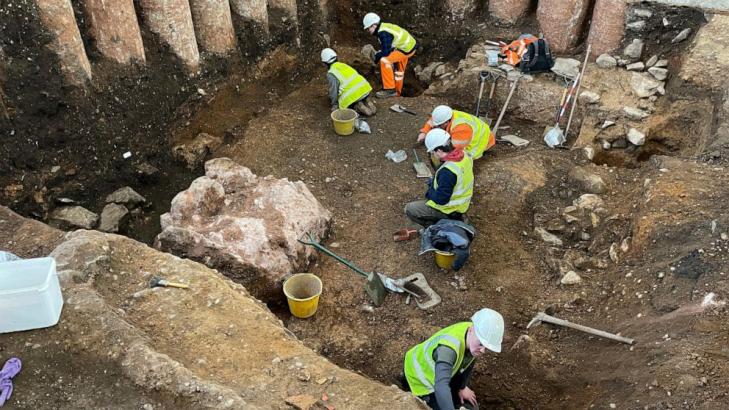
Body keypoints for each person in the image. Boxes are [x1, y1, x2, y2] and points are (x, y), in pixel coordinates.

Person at [402, 308, 505, 410]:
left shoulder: (472, 336)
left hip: (443, 374)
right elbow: (441, 387)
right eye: (481, 344)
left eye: (487, 347)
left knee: (472, 407)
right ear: (471, 330)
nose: (483, 350)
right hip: (419, 379)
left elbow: (468, 361)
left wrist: (462, 387)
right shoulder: (448, 350)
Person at [405, 129, 474, 228]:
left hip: (450, 210)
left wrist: (430, 192)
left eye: (433, 152)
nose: (433, 154)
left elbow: (441, 200)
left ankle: (438, 226)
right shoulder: (464, 154)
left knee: (410, 209)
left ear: (440, 151)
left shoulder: (447, 172)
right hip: (462, 204)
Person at [362, 12, 417, 99]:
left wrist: (376, 57)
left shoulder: (383, 33)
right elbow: (388, 45)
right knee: (399, 72)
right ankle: (397, 94)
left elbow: (386, 53)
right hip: (409, 46)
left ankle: (390, 90)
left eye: (369, 28)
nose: (368, 31)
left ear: (374, 25)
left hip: (404, 50)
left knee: (385, 61)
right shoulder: (384, 26)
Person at [417, 105, 495, 160]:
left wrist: (440, 154)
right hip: (477, 130)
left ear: (446, 122)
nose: (436, 127)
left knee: (462, 157)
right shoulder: (447, 114)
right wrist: (424, 132)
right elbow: (433, 120)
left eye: (439, 125)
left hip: (483, 140)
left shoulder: (460, 130)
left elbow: (455, 149)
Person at [321, 48, 376, 116]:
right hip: (364, 89)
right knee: (360, 96)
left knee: (346, 102)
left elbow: (334, 91)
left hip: (353, 96)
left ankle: (358, 106)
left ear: (325, 63)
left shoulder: (331, 73)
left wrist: (335, 104)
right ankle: (366, 100)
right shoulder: (344, 65)